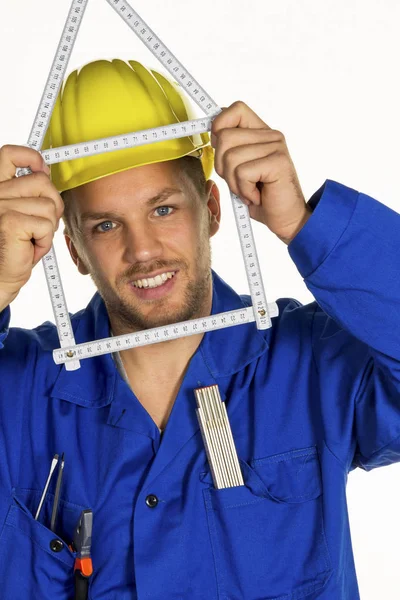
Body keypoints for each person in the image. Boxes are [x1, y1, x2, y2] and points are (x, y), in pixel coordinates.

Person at [0, 57, 398, 600]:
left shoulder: (311, 366)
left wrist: (305, 225)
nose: (142, 251)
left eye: (163, 209)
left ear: (211, 208)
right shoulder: (21, 392)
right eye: (107, 224)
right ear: (73, 249)